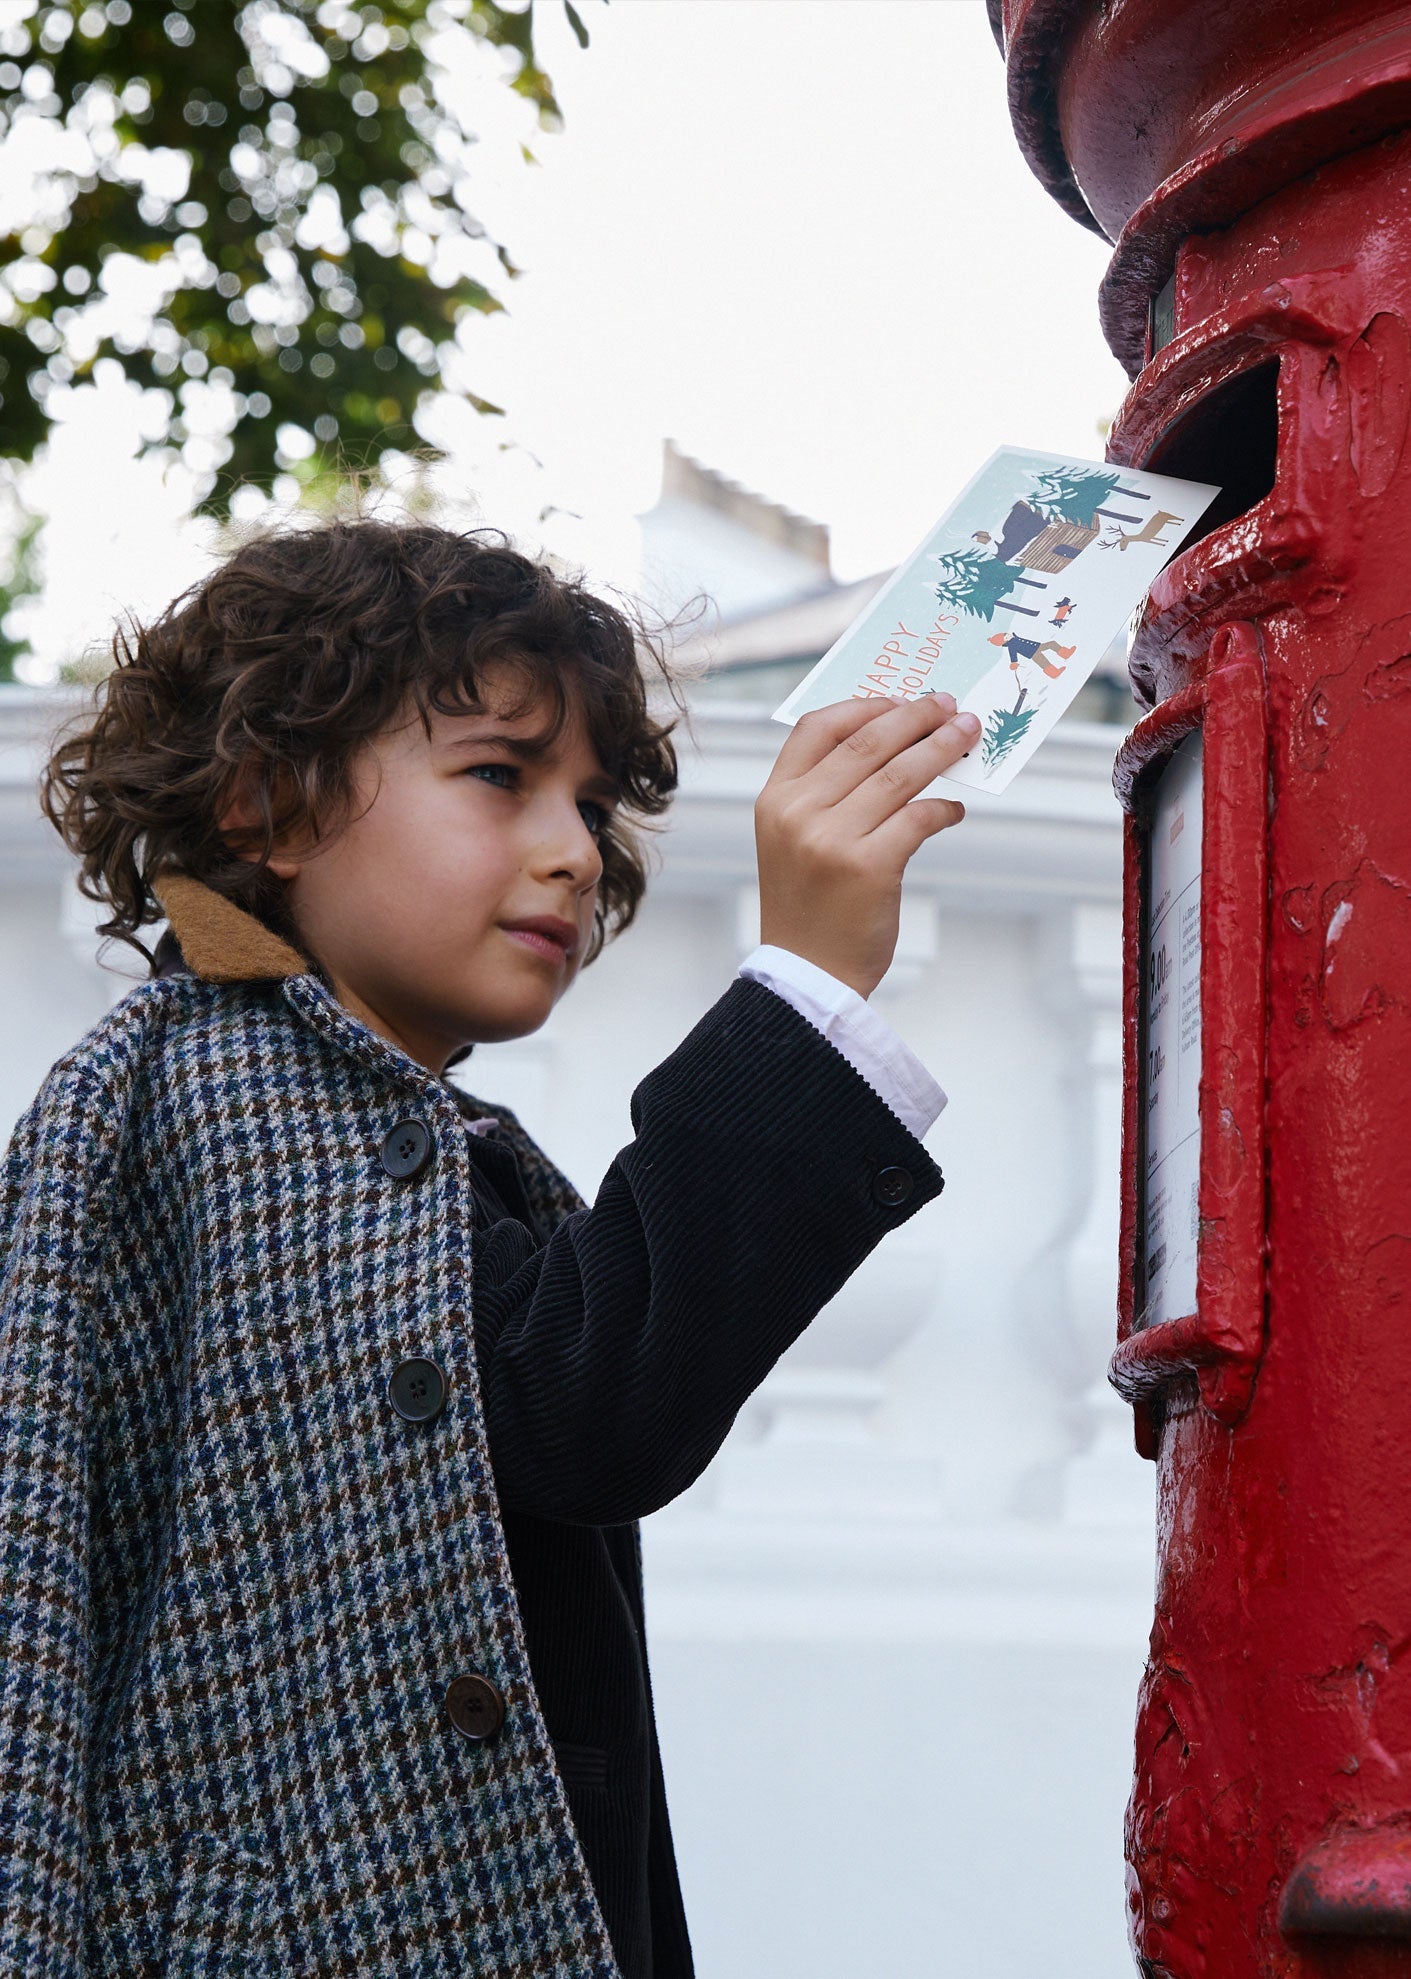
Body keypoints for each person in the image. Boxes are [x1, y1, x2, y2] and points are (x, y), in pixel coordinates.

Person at [0, 519, 976, 1979]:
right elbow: (575, 1397)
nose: (571, 851)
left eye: (588, 803)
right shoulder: (249, 1092)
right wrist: (808, 982)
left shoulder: (345, 1106)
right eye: (498, 776)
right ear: (265, 801)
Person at [988, 627, 1076, 679]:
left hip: (1036, 647)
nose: (1009, 635)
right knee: (1045, 663)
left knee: (1051, 644)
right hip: (1033, 652)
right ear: (1004, 642)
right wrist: (1014, 663)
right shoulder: (1011, 645)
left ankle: (1065, 653)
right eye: (1006, 637)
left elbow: (1021, 641)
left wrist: (1016, 637)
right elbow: (1013, 654)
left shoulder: (1014, 639)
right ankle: (1054, 673)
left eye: (1007, 634)